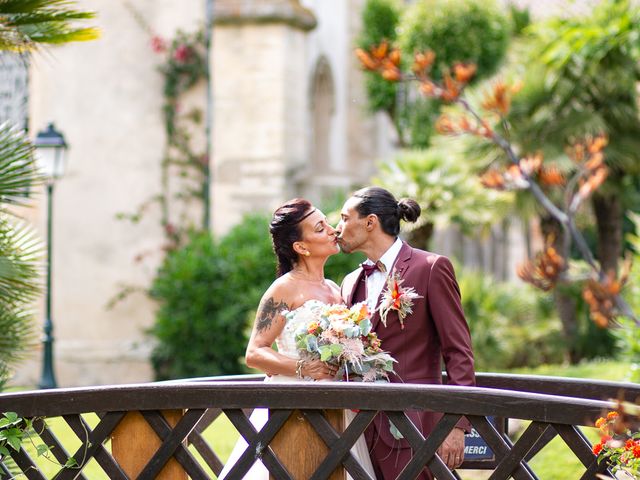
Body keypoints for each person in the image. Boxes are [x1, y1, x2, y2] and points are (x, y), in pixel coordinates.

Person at [218, 198, 377, 480]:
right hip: (290, 405)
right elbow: (255, 353)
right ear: (301, 247)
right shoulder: (284, 289)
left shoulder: (333, 288)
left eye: (327, 223)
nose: (332, 230)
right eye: (319, 228)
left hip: (336, 403)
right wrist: (305, 369)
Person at [336, 186, 475, 480]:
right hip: (358, 430)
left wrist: (456, 424)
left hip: (415, 425)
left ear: (370, 222)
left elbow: (458, 351)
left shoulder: (430, 268)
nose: (338, 228)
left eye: (344, 218)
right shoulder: (350, 282)